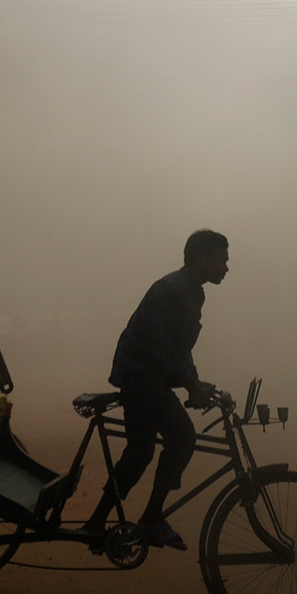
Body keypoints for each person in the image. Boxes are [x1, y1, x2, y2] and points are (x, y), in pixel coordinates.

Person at [84, 229, 228, 550]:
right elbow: (161, 344)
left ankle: (96, 522)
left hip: (152, 377)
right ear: (199, 259)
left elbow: (181, 347)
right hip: (140, 376)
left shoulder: (194, 293)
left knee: (139, 452)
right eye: (220, 260)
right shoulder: (170, 290)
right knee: (182, 437)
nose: (226, 268)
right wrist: (189, 383)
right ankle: (152, 517)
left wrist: (194, 381)